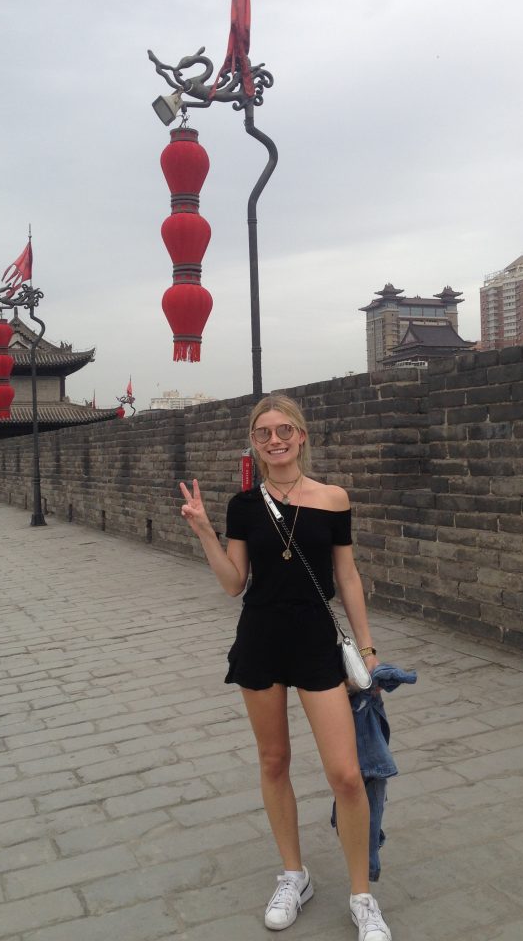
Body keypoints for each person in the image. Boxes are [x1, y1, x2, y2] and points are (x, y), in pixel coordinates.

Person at [179, 394, 392, 941]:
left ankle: (362, 897)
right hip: (262, 639)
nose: (274, 439)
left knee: (346, 774)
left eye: (283, 430)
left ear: (301, 435)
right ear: (254, 442)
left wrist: (366, 647)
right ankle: (293, 875)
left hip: (318, 643)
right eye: (263, 432)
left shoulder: (334, 498)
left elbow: (346, 576)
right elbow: (233, 584)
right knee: (274, 761)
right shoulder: (243, 506)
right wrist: (203, 529)